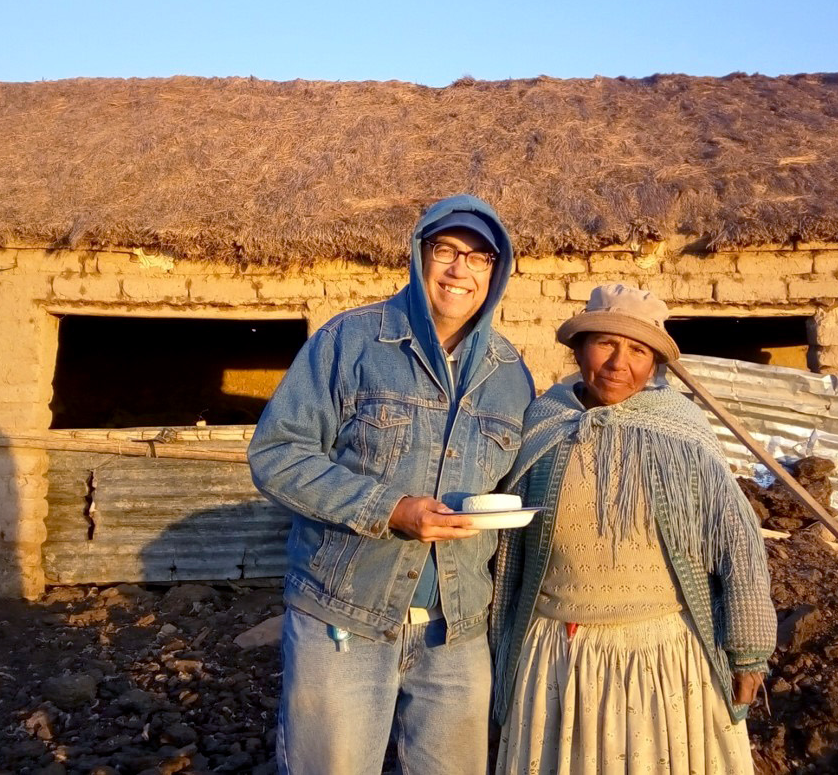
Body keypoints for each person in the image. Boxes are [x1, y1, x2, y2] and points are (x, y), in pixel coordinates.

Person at [248, 194, 534, 775]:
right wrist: (389, 508)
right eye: (446, 250)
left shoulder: (510, 374)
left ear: (496, 271)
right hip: (344, 618)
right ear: (419, 255)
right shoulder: (350, 341)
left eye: (478, 257)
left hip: (456, 632)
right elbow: (277, 453)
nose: (460, 270)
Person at [489, 283, 775, 775]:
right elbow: (507, 553)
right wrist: (496, 650)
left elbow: (737, 544)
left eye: (638, 350)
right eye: (605, 343)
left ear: (654, 363)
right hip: (557, 659)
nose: (619, 363)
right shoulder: (543, 425)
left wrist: (749, 652)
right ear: (579, 349)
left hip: (662, 661)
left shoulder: (682, 433)